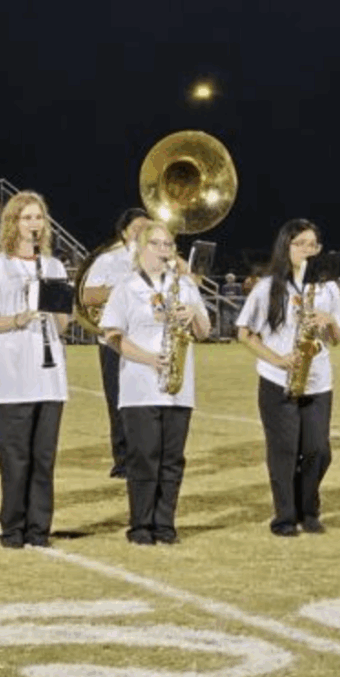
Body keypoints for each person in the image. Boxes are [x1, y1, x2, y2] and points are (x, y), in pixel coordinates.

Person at [0, 191, 69, 549]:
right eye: (26, 218)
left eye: (38, 218)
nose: (34, 224)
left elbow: (60, 327)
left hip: (50, 377)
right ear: (13, 223)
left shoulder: (54, 267)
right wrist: (18, 318)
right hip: (12, 376)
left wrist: (56, 304)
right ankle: (12, 530)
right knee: (15, 459)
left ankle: (39, 530)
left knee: (44, 458)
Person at [99, 220, 210, 545]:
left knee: (173, 460)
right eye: (157, 244)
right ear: (142, 249)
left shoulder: (186, 286)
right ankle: (141, 525)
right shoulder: (127, 287)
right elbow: (112, 336)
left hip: (178, 387)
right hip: (139, 386)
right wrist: (148, 358)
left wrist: (194, 313)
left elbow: (205, 332)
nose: (164, 251)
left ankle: (165, 524)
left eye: (168, 245)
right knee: (144, 456)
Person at [236, 219, 340, 536]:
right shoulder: (268, 286)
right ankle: (285, 517)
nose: (307, 251)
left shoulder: (326, 288)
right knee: (283, 452)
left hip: (318, 380)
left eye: (313, 245)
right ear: (286, 246)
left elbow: (338, 339)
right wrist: (279, 360)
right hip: (277, 380)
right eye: (300, 243)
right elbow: (245, 334)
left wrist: (328, 322)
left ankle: (308, 508)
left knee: (318, 450)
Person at [80, 207, 151, 478]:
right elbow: (88, 296)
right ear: (123, 232)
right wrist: (125, 288)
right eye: (137, 228)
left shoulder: (156, 260)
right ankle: (123, 460)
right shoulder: (108, 260)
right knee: (118, 400)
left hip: (146, 342)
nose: (143, 233)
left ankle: (144, 456)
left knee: (145, 400)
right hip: (116, 340)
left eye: (148, 229)